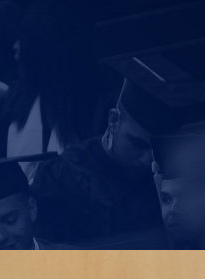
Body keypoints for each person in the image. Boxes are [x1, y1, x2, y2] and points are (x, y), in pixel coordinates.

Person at [30, 79, 175, 247]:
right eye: (137, 143)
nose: (147, 160)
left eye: (154, 150)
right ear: (113, 120)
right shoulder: (62, 177)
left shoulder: (163, 173)